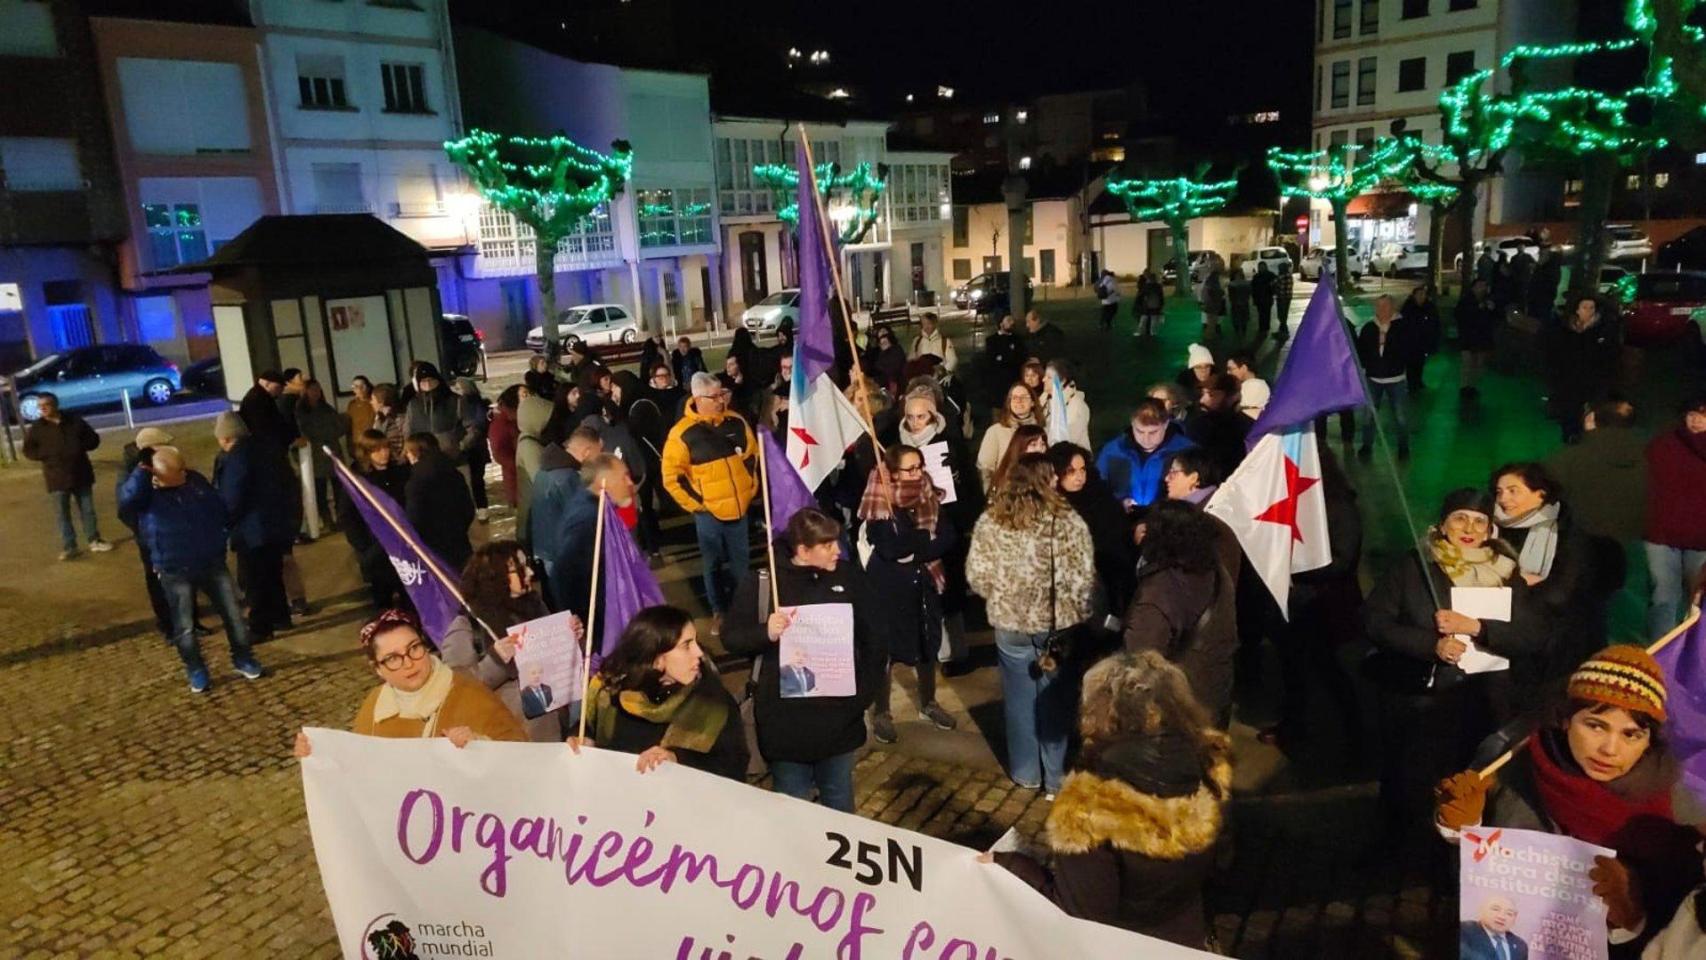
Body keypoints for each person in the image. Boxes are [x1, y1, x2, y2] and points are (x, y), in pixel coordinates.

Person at [1436, 646, 1704, 958]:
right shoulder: (1513, 767)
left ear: (1649, 741)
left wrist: (1629, 917)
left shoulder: (1675, 808)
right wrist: (1460, 828)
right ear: (1566, 719)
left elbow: (1680, 926)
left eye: (1631, 735)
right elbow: (1479, 879)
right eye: (1595, 725)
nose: (1610, 749)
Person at [990, 650, 1229, 948]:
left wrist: (1010, 866)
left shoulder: (1092, 806)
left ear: (1098, 714)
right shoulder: (1210, 769)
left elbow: (1078, 916)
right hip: (1184, 938)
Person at [1365, 488, 1542, 837]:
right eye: (1460, 518)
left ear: (1490, 529)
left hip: (1486, 700)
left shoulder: (1506, 573)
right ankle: (1401, 843)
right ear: (1443, 525)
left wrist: (1477, 628)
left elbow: (1532, 635)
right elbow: (1376, 622)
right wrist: (1431, 645)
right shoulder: (1415, 567)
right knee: (1411, 783)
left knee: (1469, 786)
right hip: (1422, 698)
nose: (1469, 528)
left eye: (1479, 521)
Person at [724, 508, 884, 812]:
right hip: (785, 726)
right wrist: (765, 633)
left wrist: (862, 696)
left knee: (839, 804)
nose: (838, 551)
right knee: (793, 810)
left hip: (839, 721)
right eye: (827, 545)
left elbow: (875, 640)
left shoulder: (848, 577)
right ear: (803, 550)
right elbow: (731, 638)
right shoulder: (763, 583)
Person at [966, 454, 1095, 795]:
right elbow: (1082, 576)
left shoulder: (992, 520)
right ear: (1047, 481)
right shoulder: (1066, 520)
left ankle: (1026, 773)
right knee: (1054, 700)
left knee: (1018, 700)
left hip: (1010, 624)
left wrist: (1001, 596)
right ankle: (1054, 778)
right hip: (1055, 625)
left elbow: (977, 575)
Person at [118, 446, 264, 693]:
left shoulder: (194, 482)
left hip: (211, 561)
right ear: (158, 474)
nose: (185, 473)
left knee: (234, 616)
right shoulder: (145, 495)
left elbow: (219, 508)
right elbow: (126, 503)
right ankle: (196, 669)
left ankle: (243, 658)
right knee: (184, 626)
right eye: (178, 471)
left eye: (183, 468)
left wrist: (219, 536)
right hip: (174, 567)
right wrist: (141, 472)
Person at [292, 609, 526, 759]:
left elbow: (521, 754)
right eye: (393, 658)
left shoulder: (471, 695)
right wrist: (316, 756)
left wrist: (479, 744)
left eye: (414, 648)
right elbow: (355, 768)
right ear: (378, 669)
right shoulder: (374, 708)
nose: (409, 663)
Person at [570, 604, 748, 780]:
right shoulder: (609, 692)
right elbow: (588, 727)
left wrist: (678, 759)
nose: (699, 652)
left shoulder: (713, 702)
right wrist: (582, 739)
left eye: (695, 641)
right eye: (686, 645)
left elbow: (734, 766)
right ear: (656, 659)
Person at [861, 444, 959, 743]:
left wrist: (917, 548)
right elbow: (890, 548)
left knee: (926, 641)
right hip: (888, 587)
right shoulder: (880, 502)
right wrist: (923, 537)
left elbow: (948, 536)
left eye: (920, 466)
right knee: (886, 648)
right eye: (910, 469)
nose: (918, 473)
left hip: (924, 581)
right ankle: (881, 711)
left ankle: (928, 702)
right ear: (893, 473)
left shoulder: (929, 495)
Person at [1492, 462, 1614, 685]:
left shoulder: (1566, 534)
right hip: (1505, 635)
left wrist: (1512, 584)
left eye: (1513, 491)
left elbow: (1560, 593)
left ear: (1540, 495)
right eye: (1499, 492)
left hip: (1559, 642)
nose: (1503, 499)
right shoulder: (1492, 531)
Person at [438, 540, 566, 742]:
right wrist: (495, 660)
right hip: (507, 739)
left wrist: (569, 636)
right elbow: (457, 689)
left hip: (552, 733)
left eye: (527, 565)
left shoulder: (535, 607)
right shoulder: (467, 626)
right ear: (495, 577)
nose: (530, 572)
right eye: (519, 568)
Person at [1122, 499, 1238, 723]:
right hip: (1215, 688)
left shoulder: (1159, 591)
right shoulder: (1215, 570)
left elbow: (1141, 659)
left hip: (1179, 703)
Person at [661, 372, 757, 632]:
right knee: (712, 565)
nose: (720, 401)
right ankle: (719, 612)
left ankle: (742, 609)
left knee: (741, 565)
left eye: (721, 394)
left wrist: (749, 489)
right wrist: (699, 505)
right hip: (708, 515)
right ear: (698, 399)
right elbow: (672, 478)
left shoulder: (736, 422)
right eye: (714, 397)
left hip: (739, 510)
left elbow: (752, 456)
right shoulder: (681, 435)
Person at [212, 412, 295, 642]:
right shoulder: (267, 448)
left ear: (226, 438)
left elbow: (232, 495)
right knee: (273, 573)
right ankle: (281, 616)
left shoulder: (237, 458)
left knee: (254, 579)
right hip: (275, 523)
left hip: (252, 530)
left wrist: (223, 521)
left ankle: (260, 626)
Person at [1642, 393, 1706, 639]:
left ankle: (1693, 651)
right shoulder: (1663, 445)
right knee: (1663, 596)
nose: (1696, 420)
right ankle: (1661, 650)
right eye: (1692, 414)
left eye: (1703, 415)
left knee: (1697, 599)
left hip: (1701, 539)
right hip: (1662, 535)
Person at [1546, 396, 1645, 546]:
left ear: (1590, 419)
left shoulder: (1568, 459)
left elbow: (1545, 496)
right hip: (1639, 543)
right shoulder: (1654, 457)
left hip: (1582, 544)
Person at [22, 392, 109, 560]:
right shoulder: (37, 428)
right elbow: (28, 450)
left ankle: (94, 540)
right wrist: (46, 456)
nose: (42, 409)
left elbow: (93, 439)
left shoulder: (74, 421)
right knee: (62, 514)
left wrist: (79, 447)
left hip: (81, 473)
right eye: (40, 406)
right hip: (56, 477)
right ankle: (70, 546)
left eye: (46, 405)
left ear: (55, 405)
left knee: (87, 510)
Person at [528, 425, 602, 598]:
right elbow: (582, 519)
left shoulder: (545, 470)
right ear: (586, 452)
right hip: (564, 556)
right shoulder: (568, 478)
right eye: (598, 453)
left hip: (546, 549)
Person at [339, 430, 410, 609]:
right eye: (376, 450)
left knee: (409, 601)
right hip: (376, 550)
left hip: (404, 549)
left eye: (385, 448)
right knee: (383, 601)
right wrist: (364, 547)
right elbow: (348, 516)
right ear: (366, 453)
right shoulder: (357, 481)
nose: (383, 453)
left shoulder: (400, 473)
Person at [1545, 295, 1623, 444]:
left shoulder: (1602, 329)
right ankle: (1570, 433)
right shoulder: (1565, 328)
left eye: (1591, 307)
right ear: (1577, 310)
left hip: (1591, 375)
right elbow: (1554, 351)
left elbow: (1611, 352)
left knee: (1587, 405)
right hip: (1568, 375)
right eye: (1585, 307)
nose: (1589, 311)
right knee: (1569, 404)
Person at [1097, 398, 1196, 512]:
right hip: (1122, 518)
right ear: (1132, 424)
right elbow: (1098, 489)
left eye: (1153, 432)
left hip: (1170, 518)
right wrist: (1120, 503)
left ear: (1166, 424)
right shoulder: (1113, 451)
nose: (1146, 439)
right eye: (1139, 431)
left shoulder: (1187, 452)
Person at [402, 432, 476, 571]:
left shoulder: (416, 481)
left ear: (416, 452)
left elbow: (414, 517)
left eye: (408, 452)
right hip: (459, 540)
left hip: (433, 547)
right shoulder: (453, 472)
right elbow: (468, 508)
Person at [1356, 294, 1417, 460]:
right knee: (1369, 416)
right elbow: (1361, 351)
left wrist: (1387, 343)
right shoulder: (1369, 328)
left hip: (1395, 379)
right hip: (1373, 379)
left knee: (1400, 416)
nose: (1381, 310)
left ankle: (1403, 447)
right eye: (1379, 306)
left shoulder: (1402, 327)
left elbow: (1408, 350)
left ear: (1392, 308)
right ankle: (1366, 445)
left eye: (1385, 306)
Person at [294, 379, 344, 526]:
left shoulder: (326, 408)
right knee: (319, 489)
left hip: (332, 450)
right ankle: (327, 519)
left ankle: (340, 517)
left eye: (318, 389)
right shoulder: (301, 411)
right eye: (312, 389)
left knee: (339, 487)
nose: (316, 393)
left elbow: (339, 426)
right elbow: (303, 431)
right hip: (314, 453)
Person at [1185, 373, 1252, 480]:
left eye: (1212, 395)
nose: (1202, 400)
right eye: (1203, 394)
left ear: (1232, 397)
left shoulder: (1245, 427)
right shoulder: (1197, 423)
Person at [976, 382, 1039, 490]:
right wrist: (990, 493)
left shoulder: (1041, 430)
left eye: (1024, 397)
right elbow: (985, 469)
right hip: (1006, 492)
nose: (1019, 401)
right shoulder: (995, 431)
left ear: (1033, 402)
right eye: (1014, 398)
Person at [512, 393, 554, 550]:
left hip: (531, 519)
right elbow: (542, 481)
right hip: (532, 523)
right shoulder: (530, 447)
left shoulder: (527, 440)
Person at [453, 377, 492, 521]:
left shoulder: (466, 404)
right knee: (477, 480)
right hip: (477, 448)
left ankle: (479, 509)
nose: (456, 391)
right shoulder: (479, 404)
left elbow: (476, 428)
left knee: (474, 480)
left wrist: (462, 445)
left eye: (458, 388)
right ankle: (482, 508)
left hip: (472, 449)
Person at [1456, 276, 1501, 400]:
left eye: (1484, 286)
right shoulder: (1467, 301)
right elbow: (1461, 315)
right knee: (1468, 362)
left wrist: (1491, 309)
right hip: (1469, 336)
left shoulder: (1487, 301)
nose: (1482, 288)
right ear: (1474, 287)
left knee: (1478, 363)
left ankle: (1472, 386)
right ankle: (1465, 386)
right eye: (1480, 286)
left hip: (1481, 337)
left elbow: (1493, 317)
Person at [1042, 358, 1092, 450]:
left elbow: (1067, 439)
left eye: (1049, 377)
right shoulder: (1043, 401)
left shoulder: (1077, 406)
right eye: (1045, 376)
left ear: (1062, 381)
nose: (1043, 380)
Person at [238, 369, 293, 451]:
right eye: (278, 387)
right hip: (266, 446)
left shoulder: (261, 396)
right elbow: (266, 426)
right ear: (267, 384)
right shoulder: (257, 399)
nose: (280, 392)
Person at [1400, 284, 1441, 392]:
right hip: (1410, 341)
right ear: (1414, 295)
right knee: (1410, 363)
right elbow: (1404, 324)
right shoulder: (1408, 307)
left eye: (1423, 294)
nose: (1421, 296)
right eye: (1419, 294)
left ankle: (1418, 380)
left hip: (1423, 341)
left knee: (1420, 362)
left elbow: (1435, 323)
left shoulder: (1430, 307)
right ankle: (1411, 383)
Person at [1459, 898, 1527, 960]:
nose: (1501, 917)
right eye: (1495, 909)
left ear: (1514, 919)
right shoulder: (1463, 931)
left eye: (1509, 914)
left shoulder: (1520, 945)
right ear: (1481, 911)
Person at [488, 385, 522, 509]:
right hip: (518, 482)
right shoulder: (503, 422)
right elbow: (500, 453)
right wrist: (521, 467)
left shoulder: (509, 419)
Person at [991, 424, 1049, 491]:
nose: (1039, 449)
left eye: (1043, 444)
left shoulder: (1047, 472)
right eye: (1033, 445)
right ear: (1020, 446)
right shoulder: (1009, 476)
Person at [984, 313, 1025, 396]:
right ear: (1001, 324)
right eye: (1009, 320)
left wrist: (1002, 357)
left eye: (1012, 320)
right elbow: (991, 360)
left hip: (1015, 378)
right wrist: (1009, 357)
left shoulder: (1017, 339)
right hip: (999, 380)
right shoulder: (991, 340)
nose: (1012, 322)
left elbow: (1020, 357)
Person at [1226, 351, 1270, 418]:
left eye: (1230, 369)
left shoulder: (1255, 385)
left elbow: (1243, 413)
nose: (1228, 373)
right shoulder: (1247, 385)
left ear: (1244, 368)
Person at [867, 326, 908, 396]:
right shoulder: (875, 352)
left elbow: (895, 369)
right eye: (881, 337)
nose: (884, 341)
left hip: (894, 384)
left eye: (885, 335)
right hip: (880, 384)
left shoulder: (897, 350)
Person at [370, 382, 407, 459]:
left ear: (381, 402)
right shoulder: (379, 417)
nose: (371, 402)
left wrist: (401, 459)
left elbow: (407, 441)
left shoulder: (399, 418)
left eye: (373, 399)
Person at [346, 375, 376, 450]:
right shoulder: (352, 404)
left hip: (372, 441)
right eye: (355, 387)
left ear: (367, 387)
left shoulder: (374, 402)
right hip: (356, 443)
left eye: (362, 386)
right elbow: (349, 425)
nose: (359, 389)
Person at [1135, 268, 1165, 339]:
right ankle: (1153, 332)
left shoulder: (1146, 286)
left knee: (1143, 320)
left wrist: (1139, 303)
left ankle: (1139, 332)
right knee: (1153, 320)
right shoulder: (1158, 286)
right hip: (1156, 305)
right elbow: (1161, 296)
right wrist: (1161, 305)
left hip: (1147, 305)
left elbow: (1141, 295)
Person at [1250, 261, 1276, 341]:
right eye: (1260, 267)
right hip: (1260, 298)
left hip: (1266, 297)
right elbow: (1253, 288)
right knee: (1261, 313)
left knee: (1266, 313)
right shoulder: (1257, 277)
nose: (1261, 268)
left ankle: (1265, 327)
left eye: (1262, 267)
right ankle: (1262, 327)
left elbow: (1275, 283)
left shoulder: (1269, 275)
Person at [1198, 267, 1226, 339]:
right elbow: (1220, 294)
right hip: (1214, 306)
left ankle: (1208, 336)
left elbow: (1202, 294)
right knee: (1214, 322)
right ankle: (1211, 336)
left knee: (1209, 322)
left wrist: (1202, 302)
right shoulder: (1215, 285)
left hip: (1209, 306)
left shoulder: (1207, 283)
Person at [1226, 261, 1252, 340]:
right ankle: (1243, 332)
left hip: (1236, 304)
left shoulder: (1232, 284)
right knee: (1243, 318)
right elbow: (1249, 293)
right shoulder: (1246, 283)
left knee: (1236, 318)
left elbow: (1231, 295)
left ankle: (1238, 332)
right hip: (1243, 303)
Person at [1272, 263, 1295, 340]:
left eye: (1280, 268)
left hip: (1282, 298)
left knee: (1281, 315)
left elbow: (1272, 283)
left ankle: (1284, 332)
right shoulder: (1290, 276)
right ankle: (1282, 331)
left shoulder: (1281, 276)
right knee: (1284, 315)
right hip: (1288, 297)